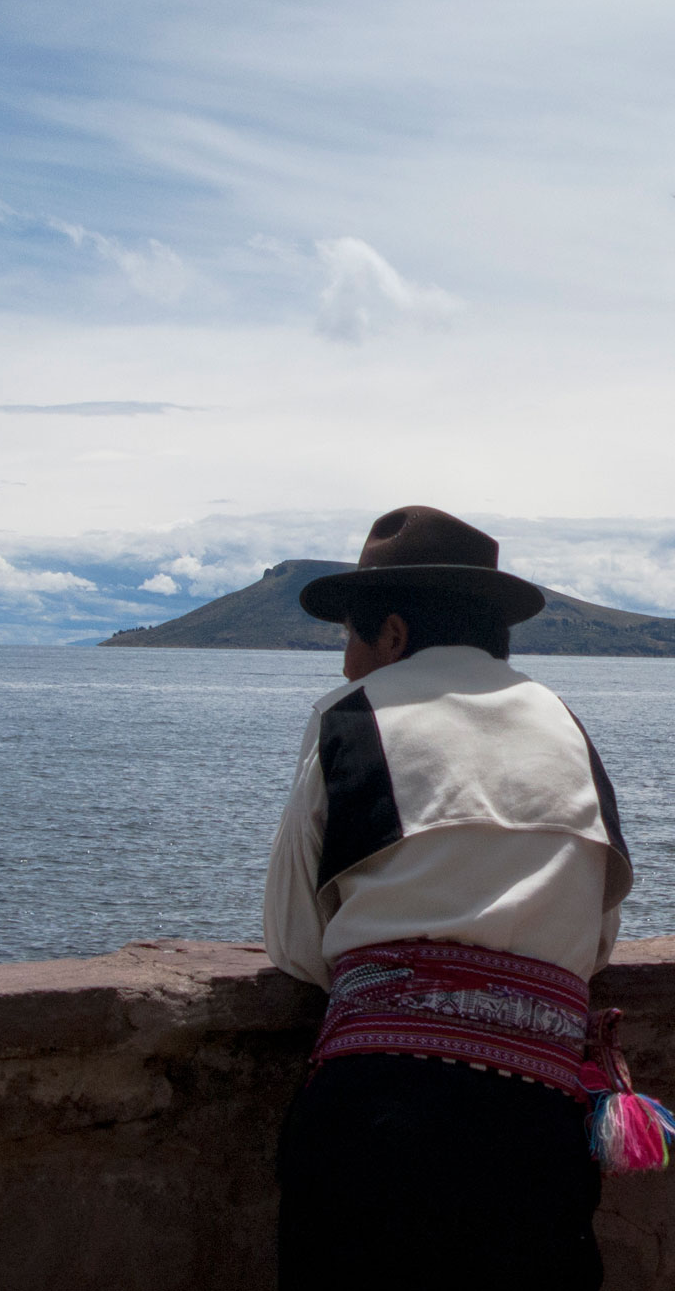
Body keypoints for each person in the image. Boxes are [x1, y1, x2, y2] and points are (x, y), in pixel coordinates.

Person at [263, 505, 637, 1291]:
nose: (345, 667)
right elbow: (596, 943)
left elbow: (295, 941)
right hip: (538, 1129)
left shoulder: (351, 718)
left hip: (377, 1120)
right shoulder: (568, 727)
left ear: (393, 636)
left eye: (350, 641)